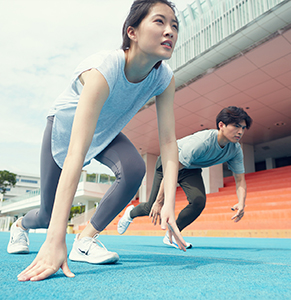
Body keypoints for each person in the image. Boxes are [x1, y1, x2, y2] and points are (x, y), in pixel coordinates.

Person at [8, 0, 187, 282]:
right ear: (132, 32)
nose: (170, 31)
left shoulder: (164, 78)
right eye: (160, 22)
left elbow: (168, 142)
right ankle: (20, 225)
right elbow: (75, 153)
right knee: (46, 216)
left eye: (175, 26)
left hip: (105, 133)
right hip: (65, 133)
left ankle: (86, 240)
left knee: (133, 170)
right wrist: (55, 241)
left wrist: (169, 205)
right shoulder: (103, 69)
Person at [118, 106, 253, 248]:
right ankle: (130, 213)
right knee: (152, 206)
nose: (240, 132)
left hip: (190, 168)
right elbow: (172, 171)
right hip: (169, 162)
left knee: (198, 201)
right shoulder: (201, 142)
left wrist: (241, 203)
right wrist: (159, 202)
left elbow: (240, 180)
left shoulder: (235, 150)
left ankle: (172, 235)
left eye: (243, 128)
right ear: (221, 125)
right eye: (236, 126)